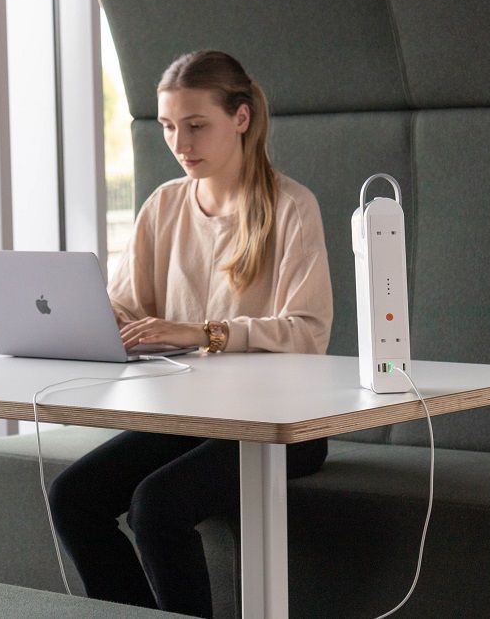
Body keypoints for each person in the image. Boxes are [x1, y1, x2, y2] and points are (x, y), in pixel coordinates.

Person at [47, 50, 333, 617]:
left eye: (196, 125)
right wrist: (86, 318)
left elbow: (307, 331)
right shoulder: (164, 204)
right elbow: (128, 306)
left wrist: (203, 332)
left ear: (241, 118)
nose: (181, 143)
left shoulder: (291, 207)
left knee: (156, 506)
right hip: (187, 419)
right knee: (73, 497)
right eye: (170, 128)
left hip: (280, 427)